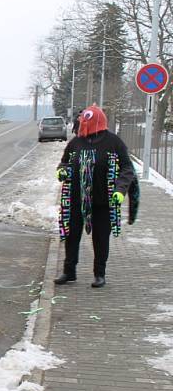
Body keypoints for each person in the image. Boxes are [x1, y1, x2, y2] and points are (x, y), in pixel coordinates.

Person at [54, 104, 135, 288]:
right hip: (76, 199)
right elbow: (64, 163)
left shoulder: (114, 142)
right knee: (72, 234)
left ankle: (100, 273)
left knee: (100, 237)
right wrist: (62, 172)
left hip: (103, 201)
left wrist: (120, 190)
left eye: (85, 121)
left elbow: (127, 168)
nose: (82, 125)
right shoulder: (76, 142)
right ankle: (69, 271)